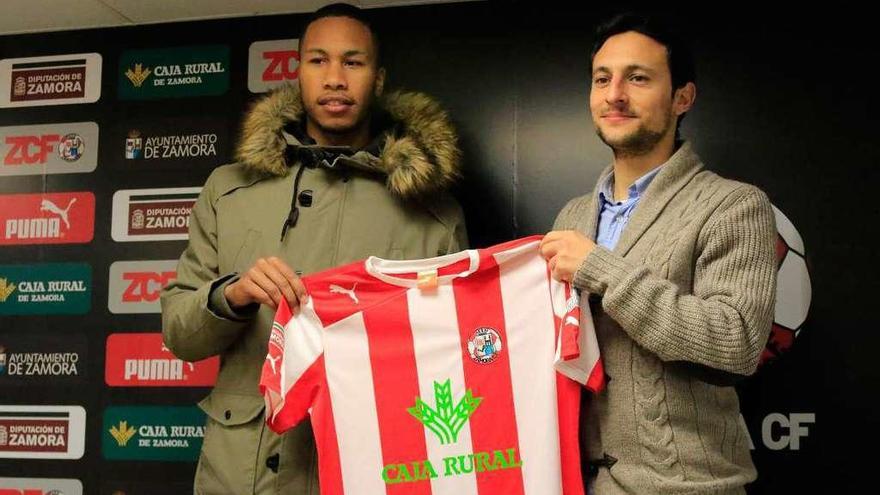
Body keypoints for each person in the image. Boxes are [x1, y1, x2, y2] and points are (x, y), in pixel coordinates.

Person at [160, 3, 466, 493]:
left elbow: (449, 364)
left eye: (353, 62)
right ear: (297, 72)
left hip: (365, 466)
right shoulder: (228, 190)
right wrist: (231, 295)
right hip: (241, 474)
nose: (335, 79)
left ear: (378, 78)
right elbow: (180, 335)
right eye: (318, 61)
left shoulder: (433, 215)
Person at [540, 12, 778, 494]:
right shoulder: (572, 216)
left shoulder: (734, 205)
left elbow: (737, 343)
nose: (615, 95)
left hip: (686, 487)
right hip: (577, 484)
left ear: (682, 98)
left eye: (638, 78)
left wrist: (601, 269)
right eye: (602, 79)